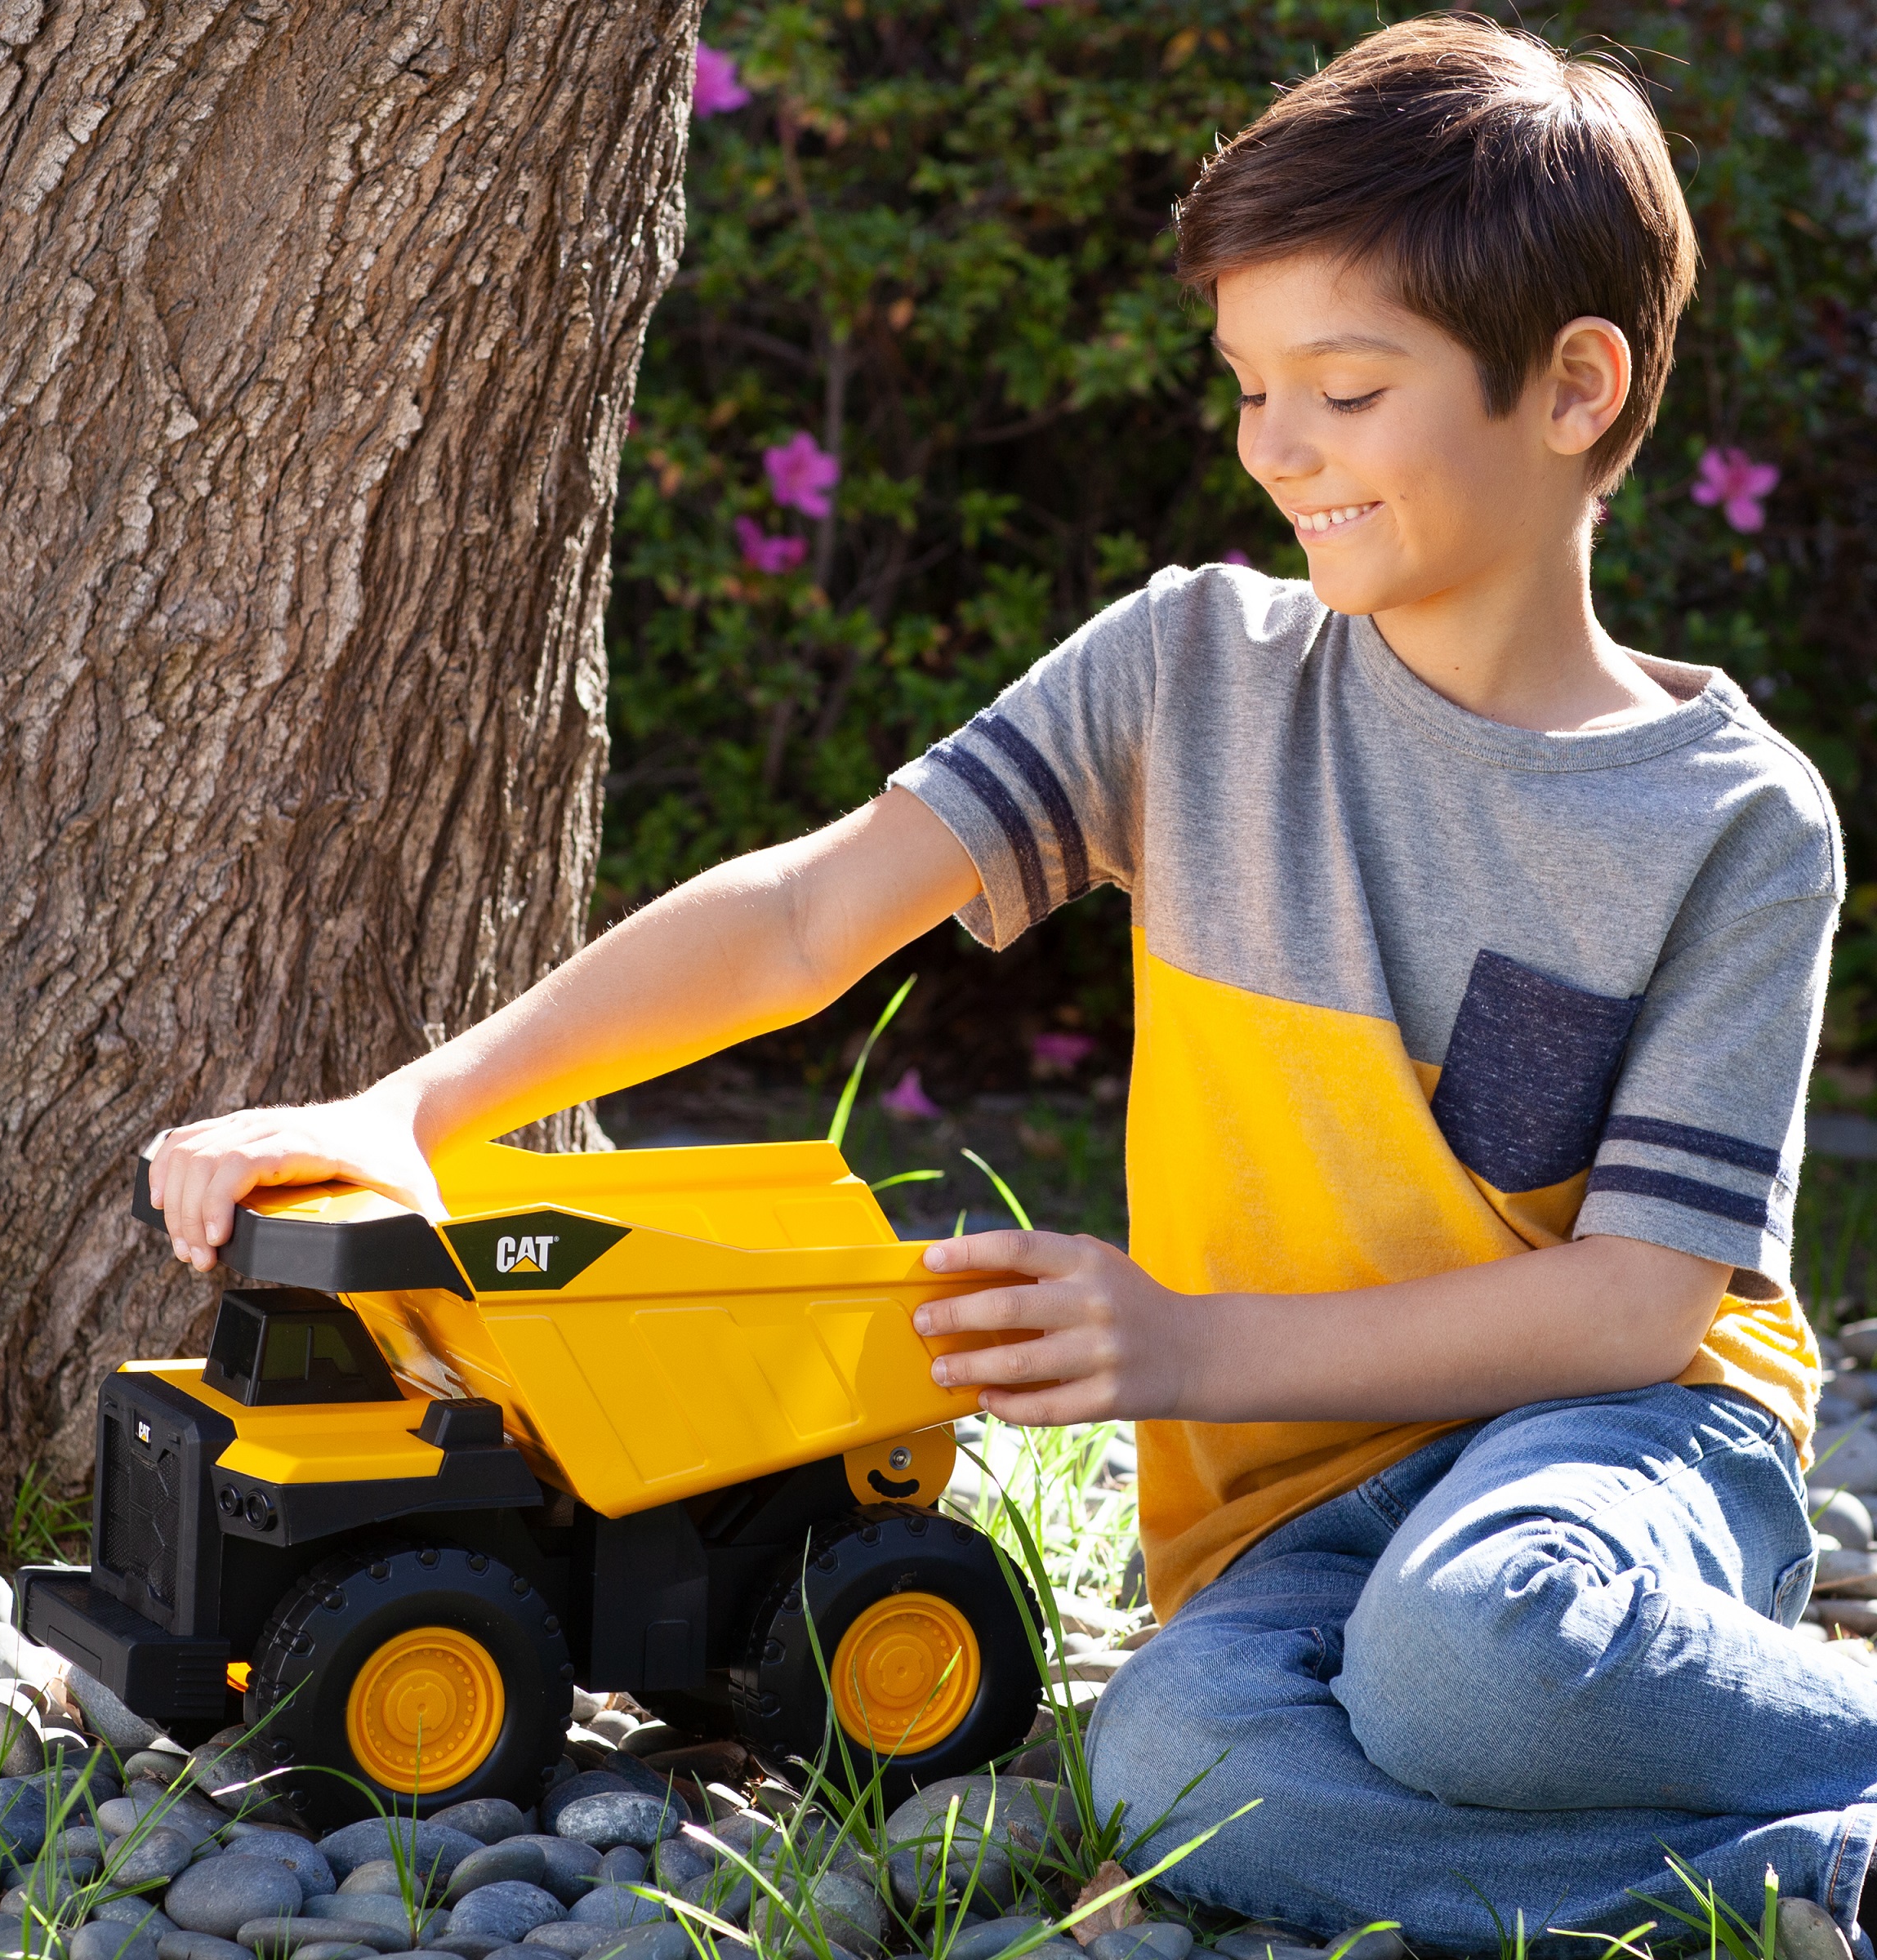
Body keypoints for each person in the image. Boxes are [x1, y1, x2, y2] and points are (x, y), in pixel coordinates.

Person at [148, 14, 1857, 1949]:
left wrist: (1183, 1346)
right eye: (1249, 388)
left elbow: (1638, 1310)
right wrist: (415, 1110)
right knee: (1194, 1790)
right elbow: (808, 920)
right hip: (1294, 1514)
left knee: (1477, 1660)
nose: (1273, 449)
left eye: (1345, 391)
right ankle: (1814, 1866)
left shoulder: (1735, 822)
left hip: (1617, 1435)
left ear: (1572, 386)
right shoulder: (1193, 674)